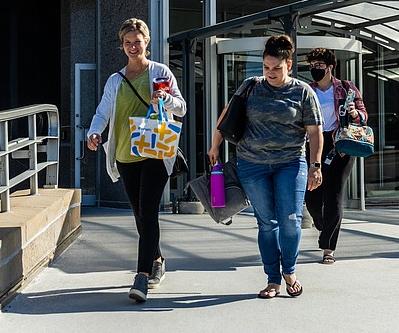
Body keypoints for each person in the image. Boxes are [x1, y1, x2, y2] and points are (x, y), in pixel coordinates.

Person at [208, 34, 323, 299]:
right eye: (266, 67)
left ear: (289, 65)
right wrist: (215, 146)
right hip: (252, 164)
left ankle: (290, 271)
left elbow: (316, 132)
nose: (270, 73)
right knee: (267, 223)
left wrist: (316, 165)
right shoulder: (251, 86)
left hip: (291, 163)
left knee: (291, 221)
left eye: (277, 68)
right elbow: (227, 115)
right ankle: (273, 279)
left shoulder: (302, 91)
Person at [87, 18, 186, 303]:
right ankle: (157, 259)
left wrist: (165, 98)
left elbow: (182, 108)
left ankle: (141, 276)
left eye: (137, 42)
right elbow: (103, 111)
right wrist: (95, 132)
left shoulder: (160, 72)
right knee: (139, 212)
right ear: (122, 45)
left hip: (155, 150)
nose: (133, 47)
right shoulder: (116, 80)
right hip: (126, 154)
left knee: (148, 208)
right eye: (128, 42)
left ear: (147, 42)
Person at [305, 47, 368, 264]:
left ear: (330, 67)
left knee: (334, 196)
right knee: (311, 198)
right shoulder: (307, 90)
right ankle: (324, 226)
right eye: (311, 66)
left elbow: (363, 115)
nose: (315, 69)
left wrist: (354, 113)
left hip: (339, 145)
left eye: (319, 66)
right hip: (312, 144)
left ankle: (328, 248)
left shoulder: (346, 88)